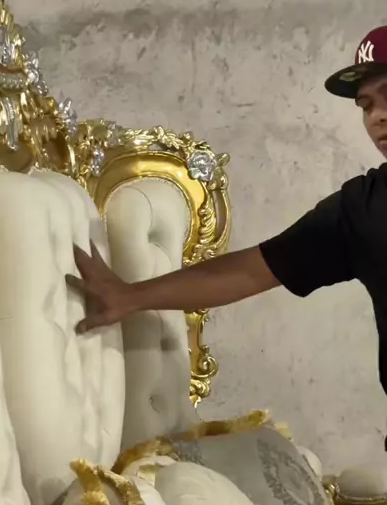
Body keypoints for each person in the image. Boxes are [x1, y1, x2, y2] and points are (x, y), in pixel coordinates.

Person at [65, 26, 387, 399]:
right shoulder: (362, 208)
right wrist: (129, 296)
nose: (377, 116)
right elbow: (250, 271)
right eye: (366, 105)